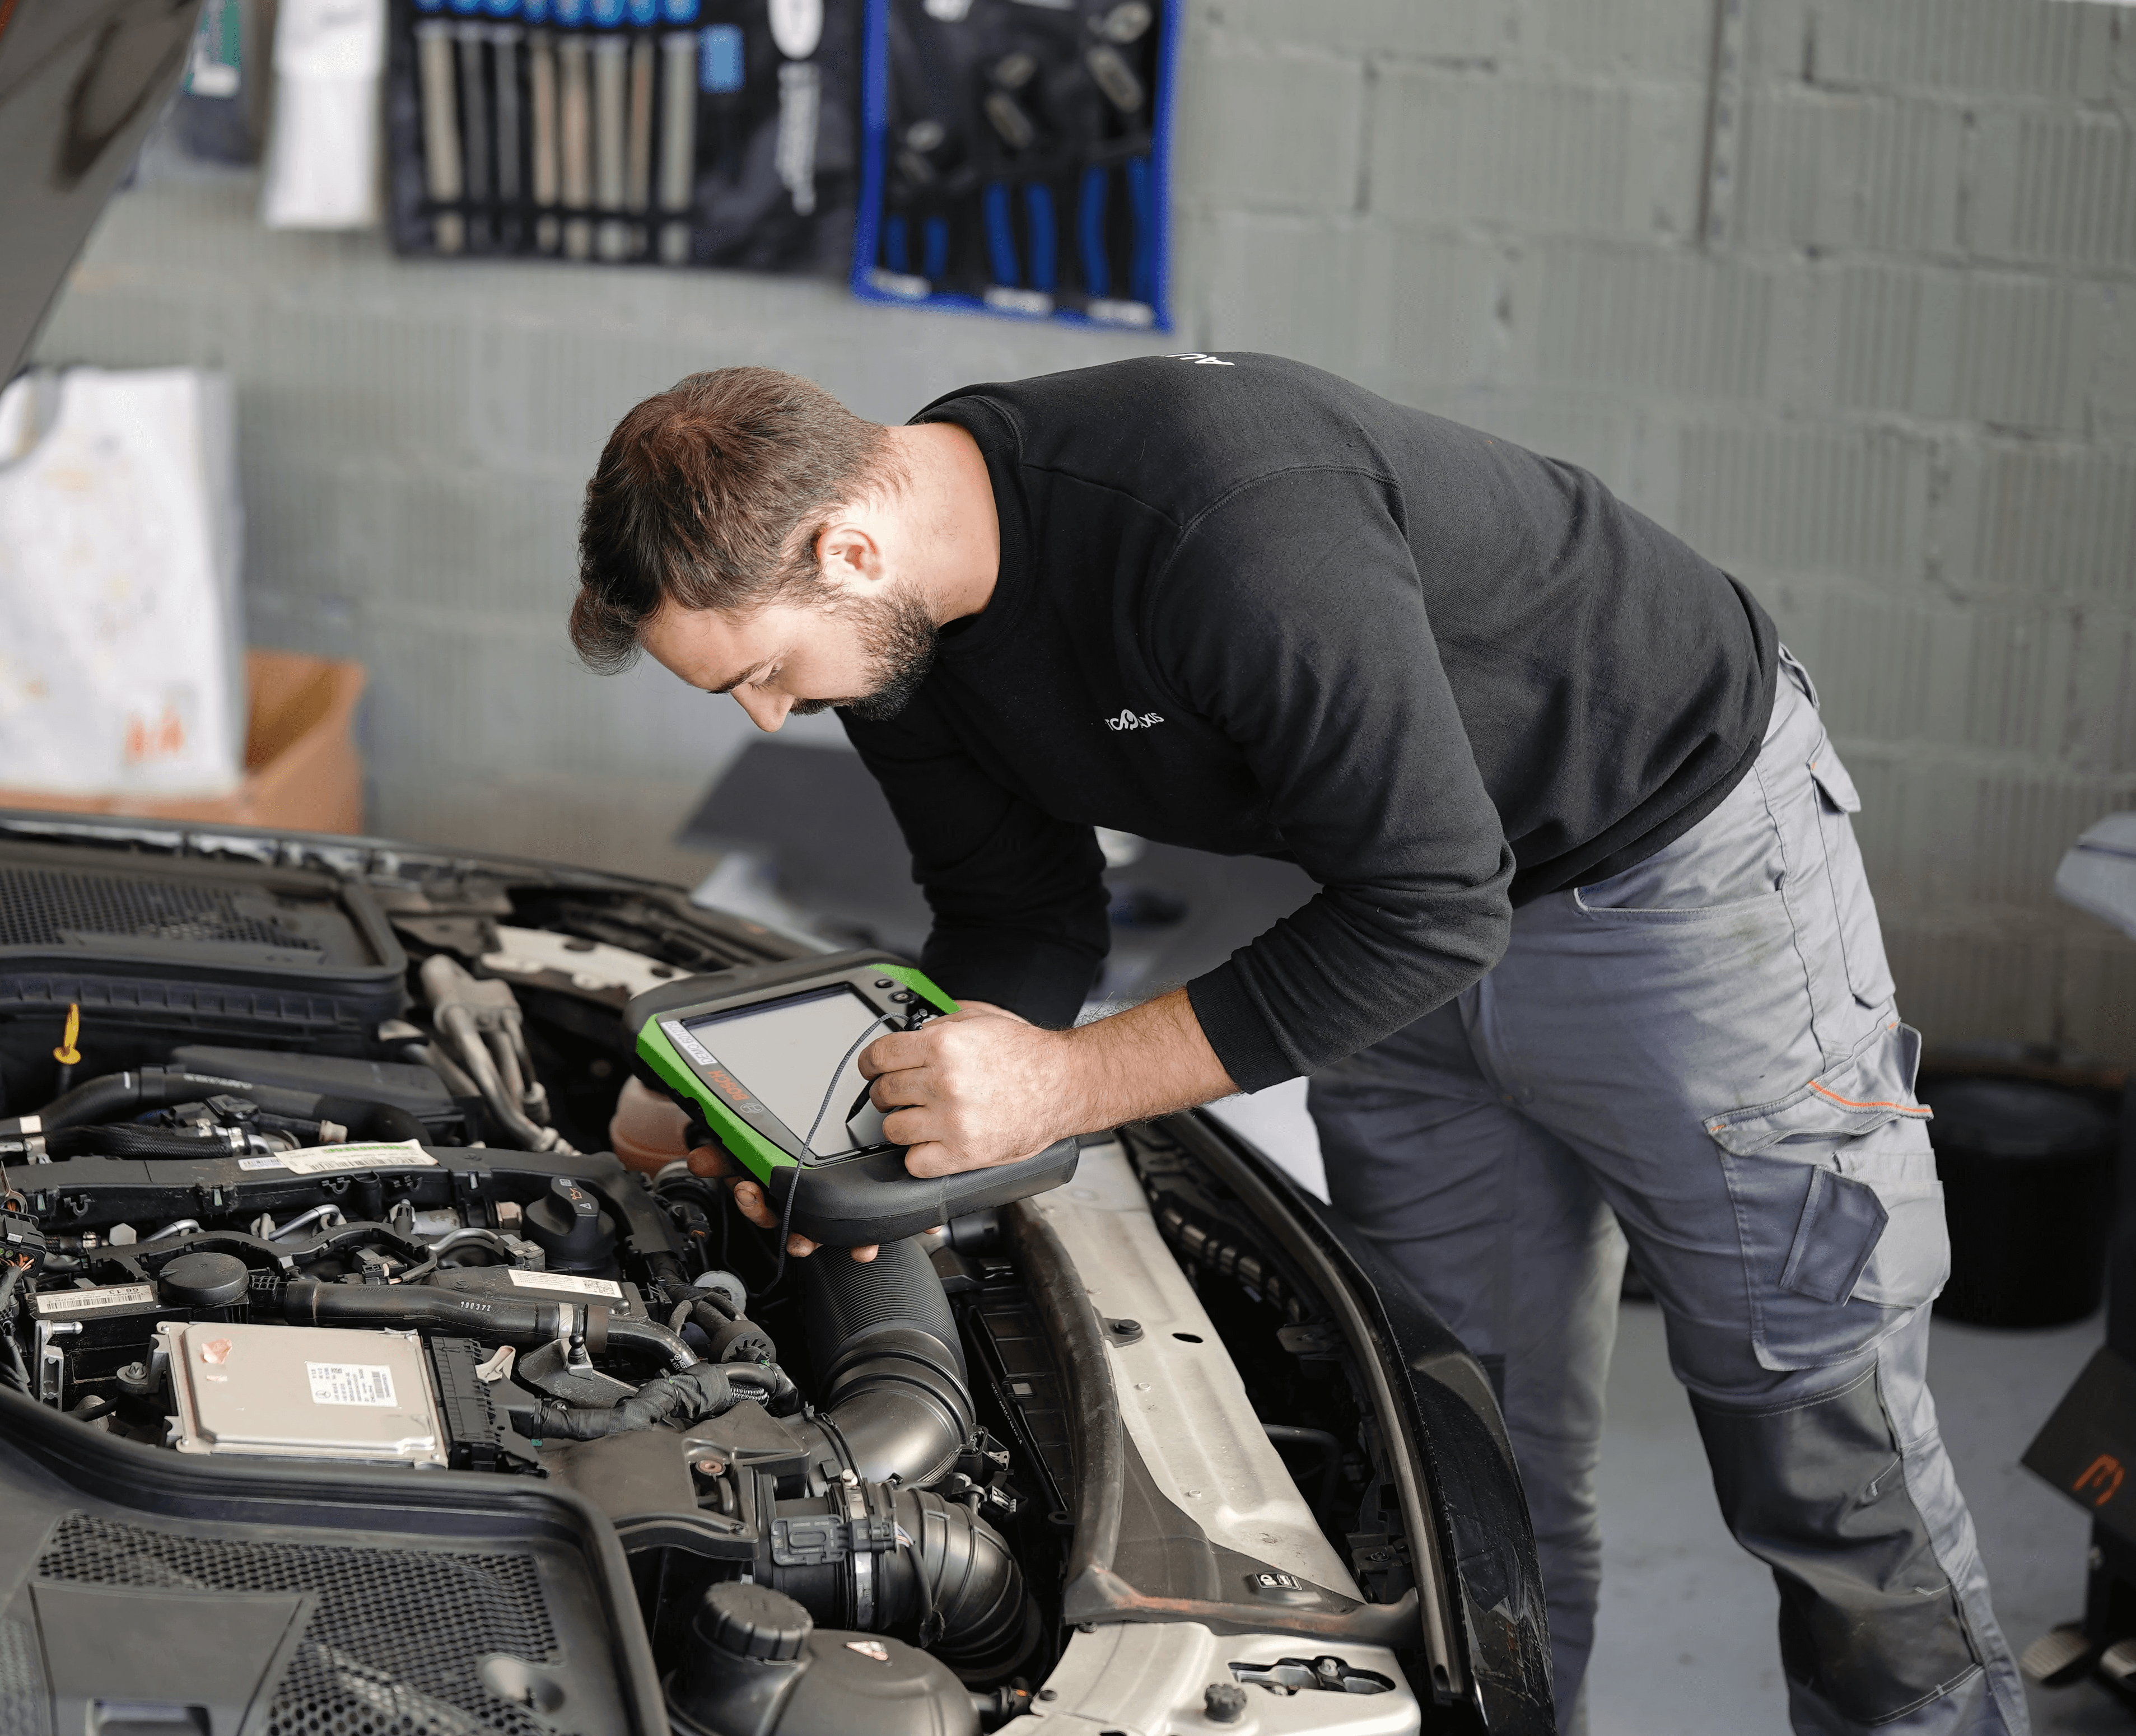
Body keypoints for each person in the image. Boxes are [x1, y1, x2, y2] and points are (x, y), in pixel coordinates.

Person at [568, 355, 2026, 1735]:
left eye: (756, 671)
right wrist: (849, 1143)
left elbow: (1433, 908)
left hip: (1670, 875)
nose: (769, 714)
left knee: (1819, 1453)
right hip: (1372, 908)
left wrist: (1064, 1082)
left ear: (846, 551)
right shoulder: (898, 647)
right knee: (1478, 1472)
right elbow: (1017, 915)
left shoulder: (1217, 520)